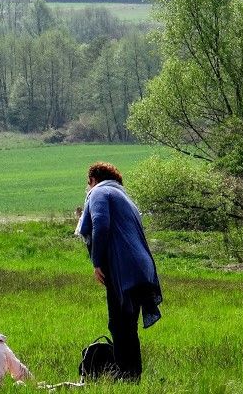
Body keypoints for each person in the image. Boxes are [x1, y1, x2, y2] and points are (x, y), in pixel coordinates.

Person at [76, 162, 162, 382]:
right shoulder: (123, 196)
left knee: (118, 324)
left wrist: (97, 262)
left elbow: (101, 224)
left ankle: (126, 377)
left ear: (93, 179)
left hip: (124, 269)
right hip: (143, 269)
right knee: (128, 326)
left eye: (88, 184)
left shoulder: (99, 192)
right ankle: (133, 377)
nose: (88, 189)